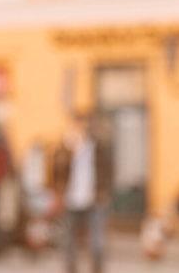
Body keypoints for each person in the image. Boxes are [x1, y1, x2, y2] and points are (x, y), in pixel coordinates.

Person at [51, 112, 114, 273]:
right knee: (68, 242)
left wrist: (104, 191)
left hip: (94, 199)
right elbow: (56, 170)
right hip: (71, 200)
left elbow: (109, 171)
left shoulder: (99, 147)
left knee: (97, 244)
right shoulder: (66, 148)